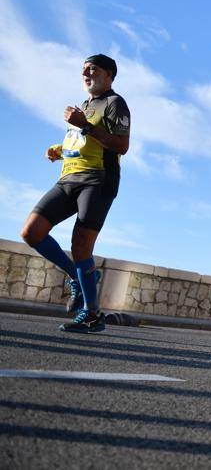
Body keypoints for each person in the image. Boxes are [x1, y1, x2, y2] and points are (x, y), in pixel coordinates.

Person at [20, 54, 130, 334]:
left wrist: (84, 125)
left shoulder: (115, 103)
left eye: (92, 69)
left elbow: (121, 145)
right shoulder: (84, 106)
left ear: (109, 75)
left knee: (81, 246)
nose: (85, 73)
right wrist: (60, 149)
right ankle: (78, 277)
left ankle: (92, 315)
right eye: (82, 70)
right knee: (31, 232)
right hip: (68, 179)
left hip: (98, 180)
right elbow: (82, 140)